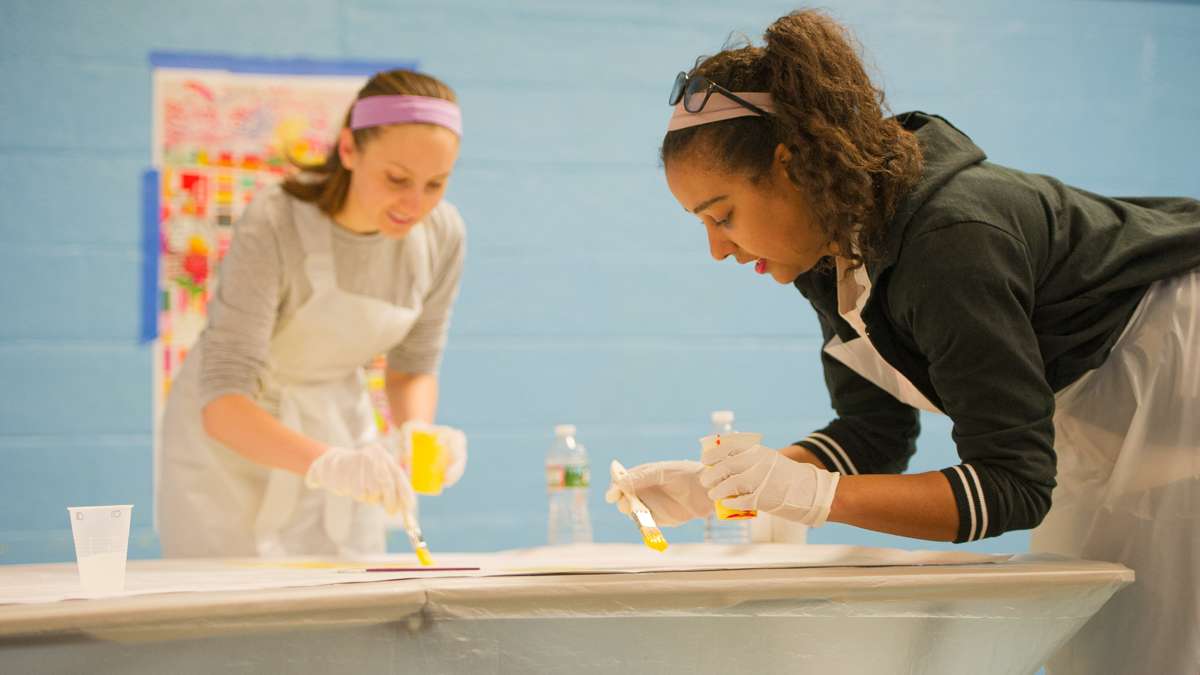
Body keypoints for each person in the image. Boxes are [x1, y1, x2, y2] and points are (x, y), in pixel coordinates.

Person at [605, 10, 1200, 674]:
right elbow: (875, 431)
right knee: (1096, 643)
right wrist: (744, 482)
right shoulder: (829, 252)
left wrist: (812, 494)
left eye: (723, 215)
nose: (717, 248)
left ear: (794, 166)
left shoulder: (948, 241)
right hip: (1101, 391)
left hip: (1177, 356)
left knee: (1159, 648)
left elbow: (1012, 485)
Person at [157, 69, 469, 559]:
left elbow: (412, 368)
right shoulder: (275, 223)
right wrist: (331, 466)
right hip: (233, 447)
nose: (416, 204)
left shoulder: (442, 235)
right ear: (348, 150)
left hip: (338, 426)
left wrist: (417, 434)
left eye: (436, 184)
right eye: (396, 179)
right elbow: (223, 403)